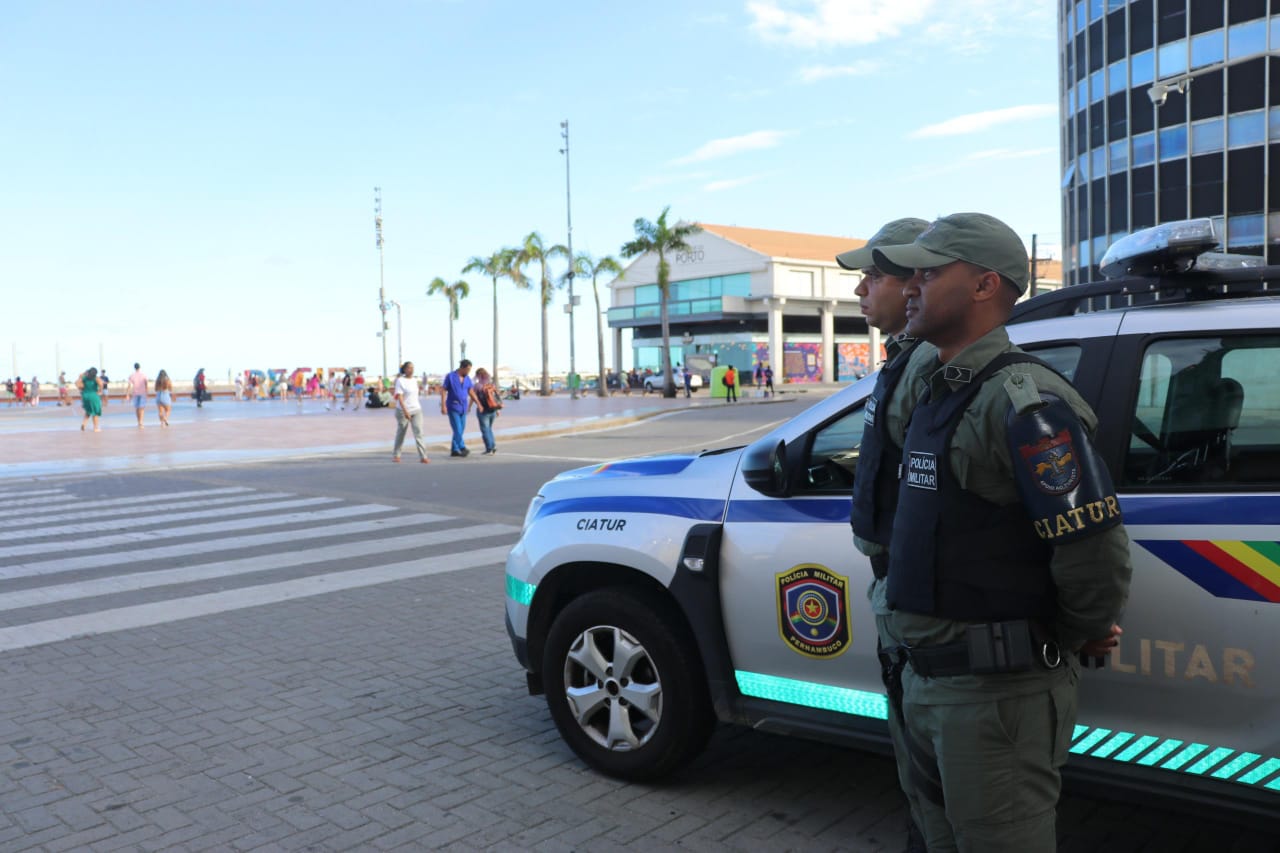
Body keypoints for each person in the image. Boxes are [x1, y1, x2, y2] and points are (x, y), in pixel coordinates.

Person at [871, 212, 1132, 851]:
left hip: (993, 699)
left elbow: (1092, 549)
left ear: (985, 285)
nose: (911, 286)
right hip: (925, 684)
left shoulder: (1024, 403)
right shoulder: (937, 389)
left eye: (929, 274)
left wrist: (1072, 632)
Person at [838, 216, 934, 851]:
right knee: (920, 775)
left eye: (873, 276)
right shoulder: (904, 362)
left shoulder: (928, 366)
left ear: (915, 283)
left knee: (936, 784)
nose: (859, 290)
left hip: (921, 597)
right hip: (898, 590)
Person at [439, 358, 480, 457]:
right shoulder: (450, 376)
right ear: (462, 368)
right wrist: (443, 405)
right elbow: (443, 390)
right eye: (468, 369)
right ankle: (462, 447)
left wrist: (479, 403)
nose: (469, 372)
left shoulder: (467, 379)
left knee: (460, 429)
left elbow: (471, 391)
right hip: (453, 406)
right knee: (457, 428)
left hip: (463, 407)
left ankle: (454, 449)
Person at [390, 361, 429, 464]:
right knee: (401, 432)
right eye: (409, 368)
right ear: (404, 369)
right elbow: (400, 397)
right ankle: (396, 454)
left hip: (416, 409)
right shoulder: (400, 380)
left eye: (412, 368)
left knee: (419, 432)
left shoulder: (414, 380)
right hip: (402, 410)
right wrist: (405, 411)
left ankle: (423, 456)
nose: (411, 370)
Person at [473, 367, 503, 455]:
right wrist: (497, 410)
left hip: (483, 411)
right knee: (489, 429)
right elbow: (496, 397)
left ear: (478, 375)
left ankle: (489, 448)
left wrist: (470, 407)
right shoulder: (491, 384)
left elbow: (473, 397)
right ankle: (493, 446)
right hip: (493, 410)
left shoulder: (477, 386)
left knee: (485, 430)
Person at [77, 367, 103, 431]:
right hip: (93, 395)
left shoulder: (84, 378)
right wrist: (100, 391)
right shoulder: (96, 378)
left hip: (85, 396)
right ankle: (96, 428)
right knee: (95, 412)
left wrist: (82, 375)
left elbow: (78, 384)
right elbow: (101, 384)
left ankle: (84, 424)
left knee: (88, 411)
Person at [126, 362, 148, 428]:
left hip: (135, 393)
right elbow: (146, 384)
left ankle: (139, 421)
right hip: (142, 393)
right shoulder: (143, 375)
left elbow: (129, 385)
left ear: (134, 367)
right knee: (142, 408)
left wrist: (127, 394)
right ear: (139, 367)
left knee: (137, 408)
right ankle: (141, 422)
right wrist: (147, 393)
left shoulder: (132, 375)